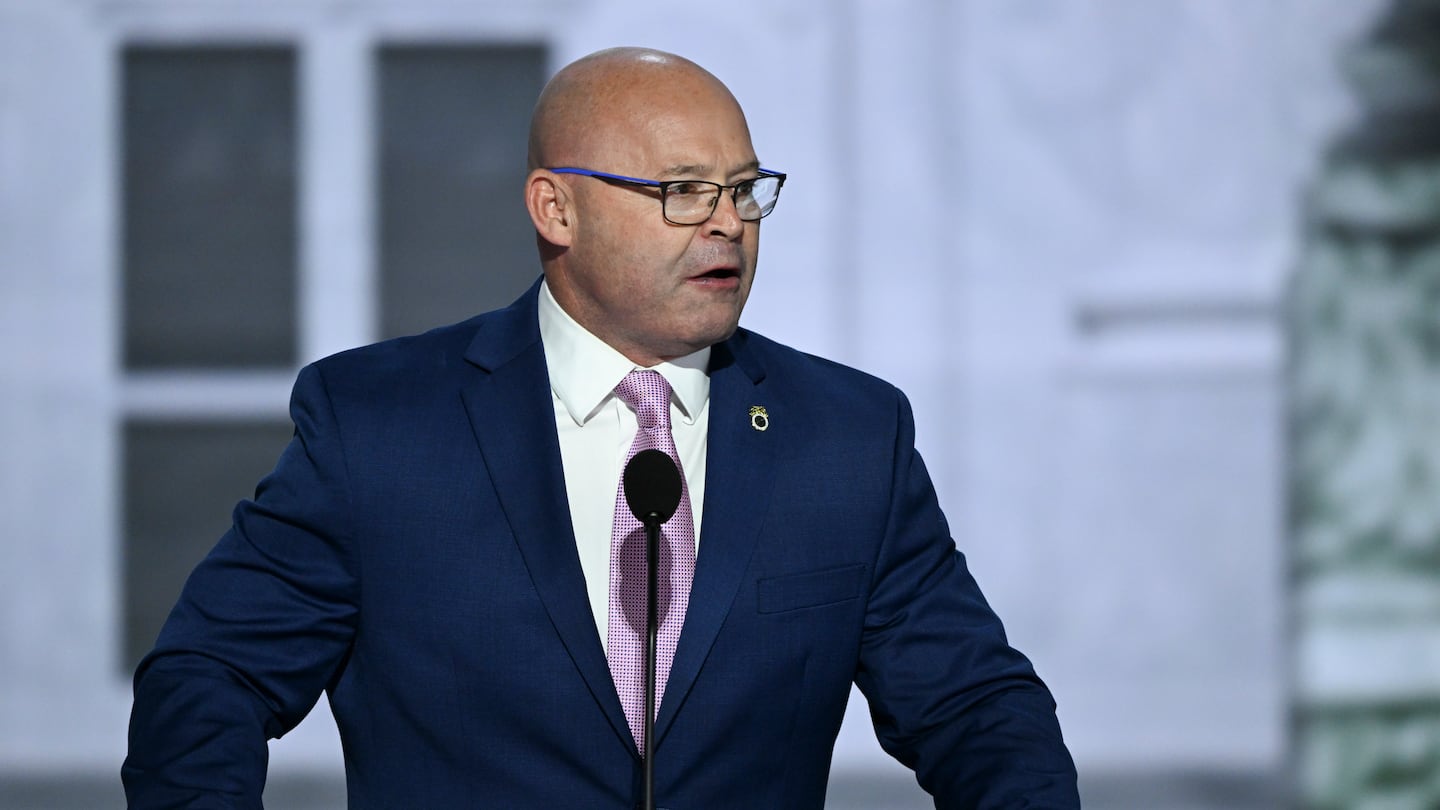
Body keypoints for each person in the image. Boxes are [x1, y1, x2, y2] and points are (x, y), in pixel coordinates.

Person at [123, 47, 1079, 809]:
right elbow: (211, 675)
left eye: (745, 190)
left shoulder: (847, 438)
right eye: (682, 191)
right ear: (557, 209)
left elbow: (973, 708)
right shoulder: (378, 427)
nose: (728, 225)